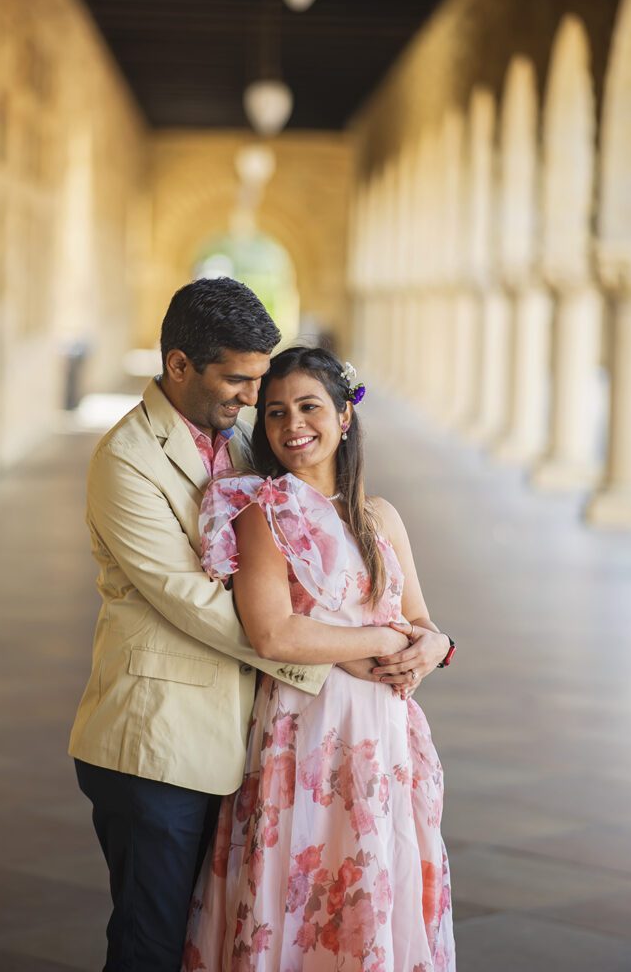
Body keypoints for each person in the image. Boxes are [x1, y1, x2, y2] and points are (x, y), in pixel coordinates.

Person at [68, 279, 422, 972]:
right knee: (151, 942)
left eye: (259, 382)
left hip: (239, 737)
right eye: (238, 380)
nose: (252, 400)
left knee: (214, 933)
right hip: (155, 742)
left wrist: (424, 639)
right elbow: (195, 603)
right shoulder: (125, 461)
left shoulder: (232, 443)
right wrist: (336, 652)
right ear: (178, 365)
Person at [183, 347, 457, 971]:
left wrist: (435, 645)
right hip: (307, 731)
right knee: (305, 889)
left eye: (309, 407)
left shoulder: (380, 516)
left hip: (386, 738)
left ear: (344, 417)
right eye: (275, 413)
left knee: (373, 886)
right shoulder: (265, 512)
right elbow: (273, 634)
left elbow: (421, 620)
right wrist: (382, 643)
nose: (292, 425)